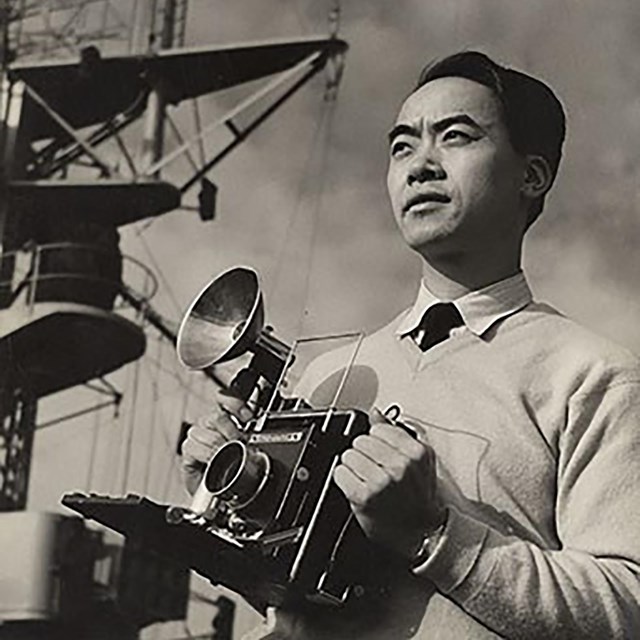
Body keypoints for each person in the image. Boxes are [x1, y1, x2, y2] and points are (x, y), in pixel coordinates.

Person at [181, 51, 640, 639]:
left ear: (532, 175)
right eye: (402, 146)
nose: (420, 165)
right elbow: (286, 587)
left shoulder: (592, 375)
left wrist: (434, 535)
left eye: (455, 136)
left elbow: (625, 608)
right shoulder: (326, 374)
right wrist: (226, 494)